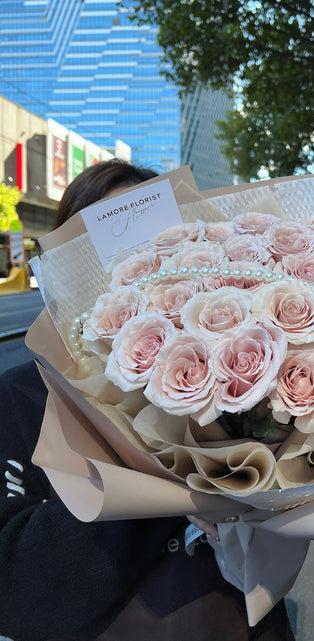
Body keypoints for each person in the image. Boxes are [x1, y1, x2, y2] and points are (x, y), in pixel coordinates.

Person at [0, 160, 295, 641]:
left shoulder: (246, 378)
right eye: (99, 247)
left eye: (155, 240)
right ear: (62, 272)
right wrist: (151, 451)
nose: (132, 268)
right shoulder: (20, 395)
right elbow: (20, 596)